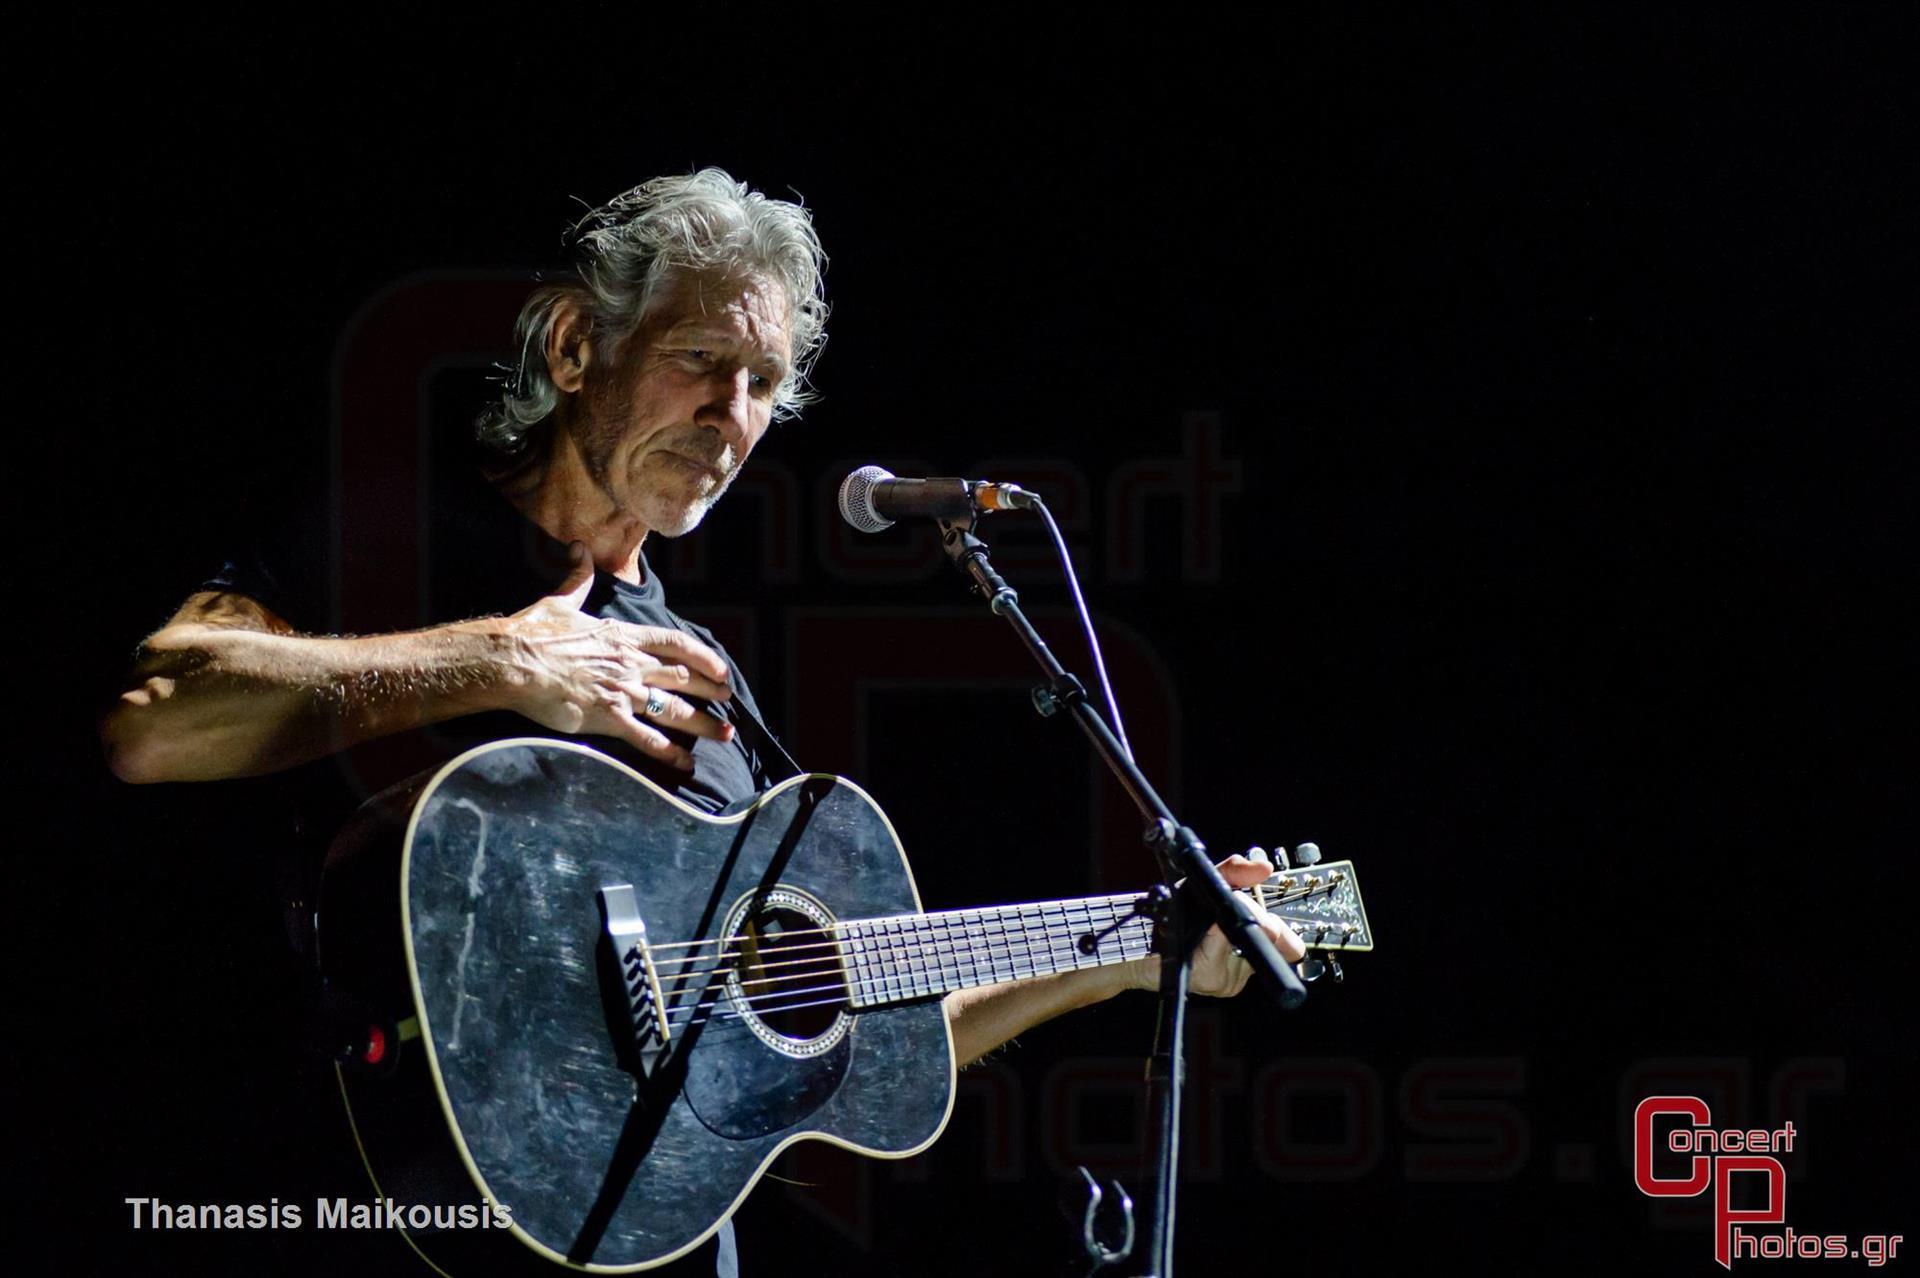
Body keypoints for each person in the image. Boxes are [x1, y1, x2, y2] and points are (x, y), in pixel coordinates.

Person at [100, 168, 1305, 1274]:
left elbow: (844, 1024)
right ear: (577, 346)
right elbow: (155, 721)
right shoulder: (389, 537)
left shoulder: (703, 682)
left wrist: (1137, 949)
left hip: (655, 1250)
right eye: (701, 361)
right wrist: (500, 656)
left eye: (765, 386)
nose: (733, 417)